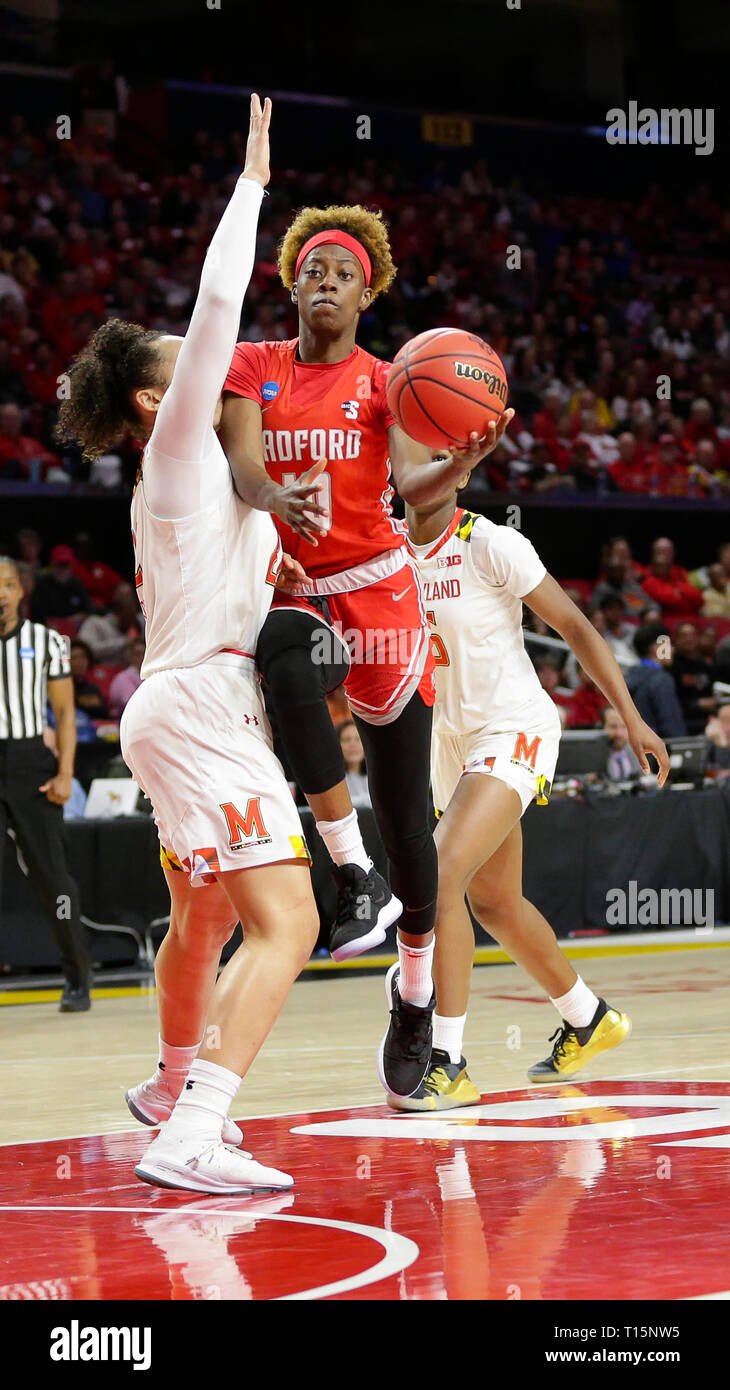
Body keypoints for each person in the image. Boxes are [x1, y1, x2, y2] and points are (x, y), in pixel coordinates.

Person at [57, 95, 320, 1195]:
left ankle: (171, 1083)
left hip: (179, 700)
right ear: (160, 397)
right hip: (201, 707)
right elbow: (219, 298)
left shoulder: (207, 483)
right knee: (289, 920)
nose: (214, 360)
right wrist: (253, 178)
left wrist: (281, 566)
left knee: (205, 911)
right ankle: (196, 1127)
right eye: (189, 363)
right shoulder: (174, 446)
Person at [219, 198, 511, 1098]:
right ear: (294, 282)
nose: (328, 283)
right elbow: (241, 463)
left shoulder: (389, 382)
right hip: (296, 589)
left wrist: (459, 464)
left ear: (367, 293)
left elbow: (413, 489)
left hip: (381, 589)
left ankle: (415, 991)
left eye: (345, 274)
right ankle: (347, 870)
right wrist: (272, 496)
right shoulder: (253, 365)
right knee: (285, 654)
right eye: (315, 270)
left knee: (408, 817)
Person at [398, 481, 669, 1109]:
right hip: (451, 743)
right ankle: (588, 1017)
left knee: (436, 877)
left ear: (459, 469)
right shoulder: (387, 550)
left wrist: (630, 717)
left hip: (511, 727)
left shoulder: (491, 542)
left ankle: (448, 1060)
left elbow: (574, 625)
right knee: (494, 902)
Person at [0, 556, 92, 1010]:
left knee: (53, 878)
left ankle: (78, 975)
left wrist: (65, 773)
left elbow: (65, 715)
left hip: (28, 761)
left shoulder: (46, 641)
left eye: (9, 584)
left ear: (22, 591)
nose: (1, 593)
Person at [625, 625, 687, 738]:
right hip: (657, 749)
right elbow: (671, 726)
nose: (673, 649)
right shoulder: (662, 680)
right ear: (656, 648)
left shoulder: (628, 677)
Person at [77, 580, 144, 664]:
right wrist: (123, 642)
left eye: (129, 596)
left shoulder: (135, 627)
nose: (131, 620)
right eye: (122, 595)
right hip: (99, 672)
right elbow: (86, 650)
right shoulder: (95, 622)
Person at [640, 537, 703, 622]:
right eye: (660, 551)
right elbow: (667, 598)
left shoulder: (680, 571)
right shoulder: (646, 575)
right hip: (667, 622)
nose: (663, 554)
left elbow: (698, 598)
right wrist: (681, 592)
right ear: (653, 554)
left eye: (667, 551)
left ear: (673, 553)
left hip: (692, 620)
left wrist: (680, 591)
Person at [670, 621, 715, 734]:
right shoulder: (671, 667)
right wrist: (697, 704)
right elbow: (671, 701)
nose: (689, 639)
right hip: (683, 723)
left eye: (693, 635)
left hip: (707, 722)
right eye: (684, 636)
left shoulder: (706, 665)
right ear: (676, 640)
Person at [30, 544, 92, 624]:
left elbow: (89, 610)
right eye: (59, 564)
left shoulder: (77, 584)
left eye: (65, 565)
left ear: (72, 566)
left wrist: (70, 620)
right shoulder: (41, 584)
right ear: (51, 564)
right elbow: (36, 614)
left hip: (74, 628)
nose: (62, 569)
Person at [69, 639, 109, 717]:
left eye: (82, 657)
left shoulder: (94, 689)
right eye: (74, 658)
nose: (79, 662)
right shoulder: (64, 689)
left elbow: (104, 715)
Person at [602, 706, 643, 781]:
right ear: (602, 727)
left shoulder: (639, 753)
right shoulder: (593, 757)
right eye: (613, 727)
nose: (619, 733)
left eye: (624, 726)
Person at [108, 635, 145, 717]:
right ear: (131, 656)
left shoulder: (152, 676)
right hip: (125, 721)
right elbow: (131, 704)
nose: (141, 657)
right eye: (137, 654)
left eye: (144, 653)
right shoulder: (123, 677)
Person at [337, 719, 371, 808]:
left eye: (358, 739)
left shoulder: (375, 777)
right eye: (346, 740)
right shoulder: (334, 781)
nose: (352, 744)